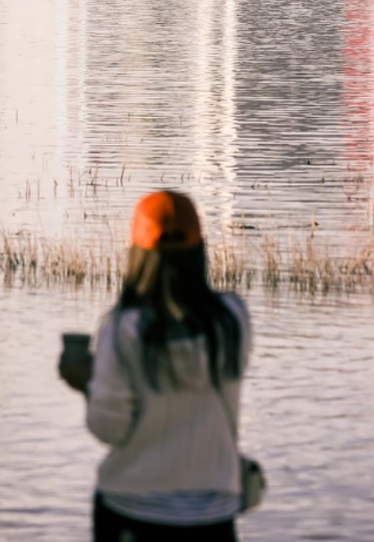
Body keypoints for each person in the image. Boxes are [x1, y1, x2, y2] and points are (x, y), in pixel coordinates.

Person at [58, 190, 252, 541]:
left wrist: (87, 382)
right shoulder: (232, 319)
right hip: (214, 513)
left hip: (132, 510)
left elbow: (109, 428)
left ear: (138, 253)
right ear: (199, 250)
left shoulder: (122, 329)